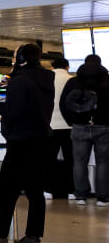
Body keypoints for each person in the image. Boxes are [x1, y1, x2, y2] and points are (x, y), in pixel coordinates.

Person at [0, 44, 53, 243]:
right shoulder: (46, 79)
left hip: (20, 142)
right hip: (41, 139)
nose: (12, 57)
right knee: (35, 191)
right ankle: (33, 236)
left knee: (4, 191)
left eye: (15, 54)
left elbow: (14, 111)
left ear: (22, 59)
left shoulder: (20, 81)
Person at [60, 54, 109, 205]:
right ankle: (102, 197)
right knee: (103, 162)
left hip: (79, 126)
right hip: (104, 126)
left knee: (79, 162)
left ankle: (80, 195)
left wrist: (72, 121)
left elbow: (63, 104)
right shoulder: (107, 81)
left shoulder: (73, 81)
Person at [47, 58, 74, 199]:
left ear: (52, 66)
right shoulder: (72, 79)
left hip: (50, 125)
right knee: (70, 159)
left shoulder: (47, 79)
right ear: (67, 67)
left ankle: (48, 190)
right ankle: (71, 191)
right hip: (68, 125)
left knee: (49, 158)